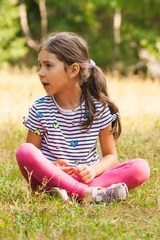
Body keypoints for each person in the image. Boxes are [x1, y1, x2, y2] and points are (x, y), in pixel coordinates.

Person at [15, 31, 150, 203]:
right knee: (24, 151)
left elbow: (111, 157)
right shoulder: (40, 109)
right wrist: (52, 167)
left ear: (73, 70)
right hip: (50, 181)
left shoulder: (98, 109)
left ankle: (76, 193)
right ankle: (87, 194)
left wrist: (93, 169)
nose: (41, 73)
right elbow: (31, 156)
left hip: (90, 179)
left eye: (48, 66)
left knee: (140, 167)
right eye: (40, 65)